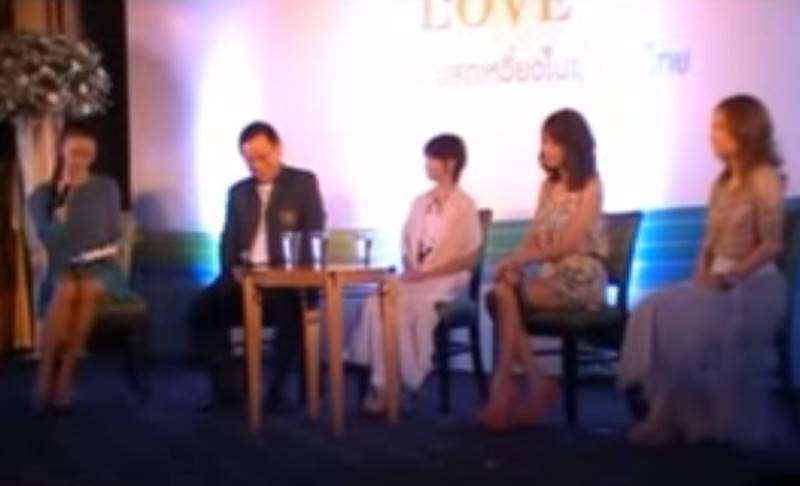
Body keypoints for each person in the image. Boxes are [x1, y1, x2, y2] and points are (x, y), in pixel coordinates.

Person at [619, 95, 787, 447]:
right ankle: (665, 410)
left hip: (754, 284)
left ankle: (664, 417)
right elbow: (709, 245)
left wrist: (732, 277)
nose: (712, 135)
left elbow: (771, 244)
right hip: (717, 281)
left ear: (743, 130)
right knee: (655, 307)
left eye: (720, 127)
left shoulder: (763, 177)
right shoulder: (720, 184)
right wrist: (701, 279)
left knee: (686, 321)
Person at [480, 109, 607, 430]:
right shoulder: (547, 187)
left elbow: (568, 243)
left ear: (571, 144)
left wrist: (521, 262)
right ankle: (532, 381)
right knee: (504, 288)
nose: (545, 149)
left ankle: (506, 385)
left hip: (581, 276)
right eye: (544, 142)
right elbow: (533, 238)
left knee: (507, 293)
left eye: (552, 142)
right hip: (551, 276)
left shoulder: (591, 185)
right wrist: (512, 261)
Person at [190, 121, 325, 412]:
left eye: (262, 157)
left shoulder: (303, 183)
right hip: (245, 278)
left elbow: (313, 233)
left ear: (278, 149)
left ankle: (277, 395)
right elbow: (228, 240)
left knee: (289, 311)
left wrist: (288, 273)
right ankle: (230, 392)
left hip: (286, 280)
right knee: (202, 310)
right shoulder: (238, 192)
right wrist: (232, 270)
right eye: (249, 159)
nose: (256, 165)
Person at [348, 134, 482, 413]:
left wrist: (430, 273)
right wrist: (412, 267)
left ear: (450, 163)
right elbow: (407, 244)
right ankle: (384, 383)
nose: (427, 164)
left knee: (406, 307)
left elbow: (469, 258)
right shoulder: (420, 202)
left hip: (447, 279)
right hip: (417, 277)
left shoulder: (465, 205)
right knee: (377, 302)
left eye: (433, 159)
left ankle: (400, 384)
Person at [29, 121, 134, 411]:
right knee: (66, 288)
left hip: (101, 267)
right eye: (75, 153)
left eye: (87, 154)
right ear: (62, 152)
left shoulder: (107, 188)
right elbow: (50, 243)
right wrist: (60, 216)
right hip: (62, 268)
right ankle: (44, 375)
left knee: (86, 287)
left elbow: (114, 234)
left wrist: (104, 250)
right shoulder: (43, 195)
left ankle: (65, 376)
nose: (80, 160)